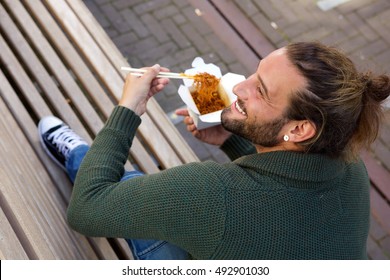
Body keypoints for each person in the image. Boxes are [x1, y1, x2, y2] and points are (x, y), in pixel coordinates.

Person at [38, 42, 390, 260]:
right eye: (254, 73)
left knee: (127, 184)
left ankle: (77, 156)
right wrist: (230, 139)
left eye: (261, 91)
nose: (240, 86)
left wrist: (128, 110)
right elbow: (276, 206)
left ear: (299, 129)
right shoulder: (349, 162)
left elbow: (86, 210)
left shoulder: (214, 194)